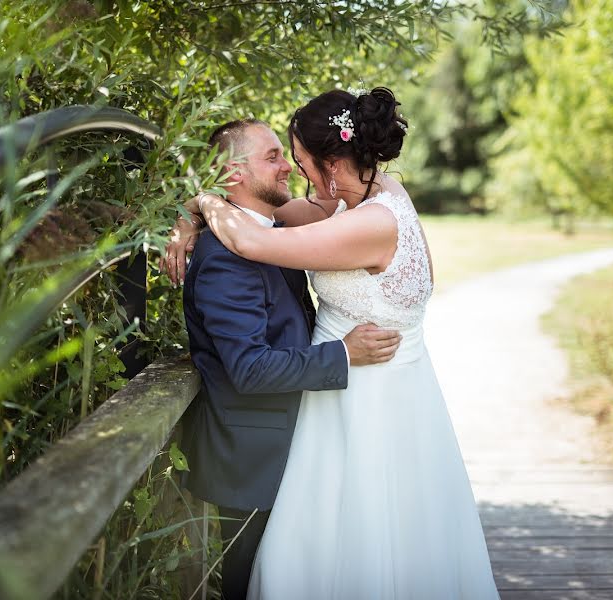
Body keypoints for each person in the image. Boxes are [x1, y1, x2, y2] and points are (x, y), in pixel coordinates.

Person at [169, 88, 498, 599]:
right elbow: (261, 226)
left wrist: (204, 199)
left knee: (360, 533)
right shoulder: (378, 195)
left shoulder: (367, 223)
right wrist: (195, 210)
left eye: (298, 162)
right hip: (366, 390)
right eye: (280, 160)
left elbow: (254, 241)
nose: (296, 175)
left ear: (331, 163)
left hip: (364, 395)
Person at [170, 118, 403, 600]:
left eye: (286, 155)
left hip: (298, 443)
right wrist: (343, 353)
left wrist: (194, 207)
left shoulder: (271, 230)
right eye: (273, 157)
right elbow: (251, 369)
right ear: (232, 173)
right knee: (252, 586)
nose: (288, 168)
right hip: (256, 461)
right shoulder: (223, 260)